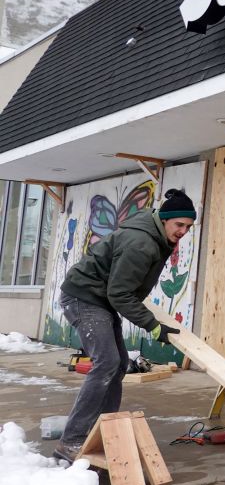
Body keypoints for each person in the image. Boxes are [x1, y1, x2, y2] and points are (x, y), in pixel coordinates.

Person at [54, 189, 197, 462]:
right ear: (164, 220)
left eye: (188, 227)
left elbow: (121, 290)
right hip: (84, 297)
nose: (183, 232)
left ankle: (105, 432)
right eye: (179, 225)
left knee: (118, 364)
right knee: (106, 363)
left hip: (100, 298)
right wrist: (153, 326)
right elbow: (119, 293)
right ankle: (71, 441)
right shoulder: (141, 242)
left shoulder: (156, 237)